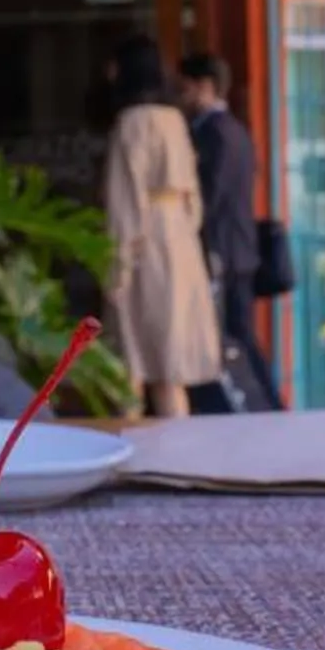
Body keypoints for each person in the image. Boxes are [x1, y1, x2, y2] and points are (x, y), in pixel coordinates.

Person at [100, 34, 221, 419]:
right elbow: (193, 198)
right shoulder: (174, 119)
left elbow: (124, 200)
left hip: (145, 243)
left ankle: (130, 446)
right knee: (170, 371)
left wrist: (117, 264)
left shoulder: (130, 122)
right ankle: (179, 449)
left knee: (131, 362)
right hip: (180, 241)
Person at [177, 51, 284, 412]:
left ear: (204, 86)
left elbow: (211, 196)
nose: (182, 97)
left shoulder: (215, 133)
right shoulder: (235, 130)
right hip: (238, 249)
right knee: (239, 336)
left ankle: (266, 409)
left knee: (236, 337)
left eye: (185, 88)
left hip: (225, 252)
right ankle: (268, 409)